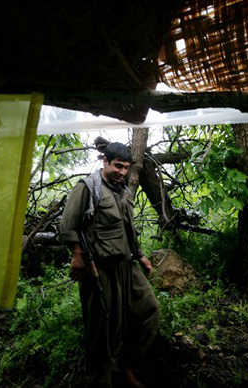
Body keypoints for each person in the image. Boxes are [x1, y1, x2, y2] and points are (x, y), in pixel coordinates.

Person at [59, 141, 160, 388]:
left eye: (126, 168)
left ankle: (125, 366)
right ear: (105, 160)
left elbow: (127, 227)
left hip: (126, 265)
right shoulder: (88, 187)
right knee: (102, 328)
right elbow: (67, 225)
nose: (122, 172)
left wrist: (139, 254)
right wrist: (77, 255)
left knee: (148, 309)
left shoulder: (121, 189)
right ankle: (101, 379)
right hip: (99, 269)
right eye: (118, 166)